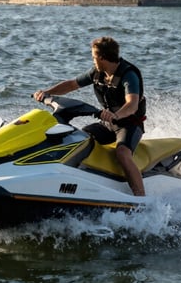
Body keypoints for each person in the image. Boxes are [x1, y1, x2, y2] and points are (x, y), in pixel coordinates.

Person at [33, 36, 147, 196]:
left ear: (101, 58)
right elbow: (71, 84)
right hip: (108, 123)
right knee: (76, 139)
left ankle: (141, 198)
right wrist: (47, 92)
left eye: (94, 57)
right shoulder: (97, 73)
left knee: (122, 153)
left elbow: (132, 104)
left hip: (129, 124)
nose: (93, 61)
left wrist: (115, 115)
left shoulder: (129, 75)